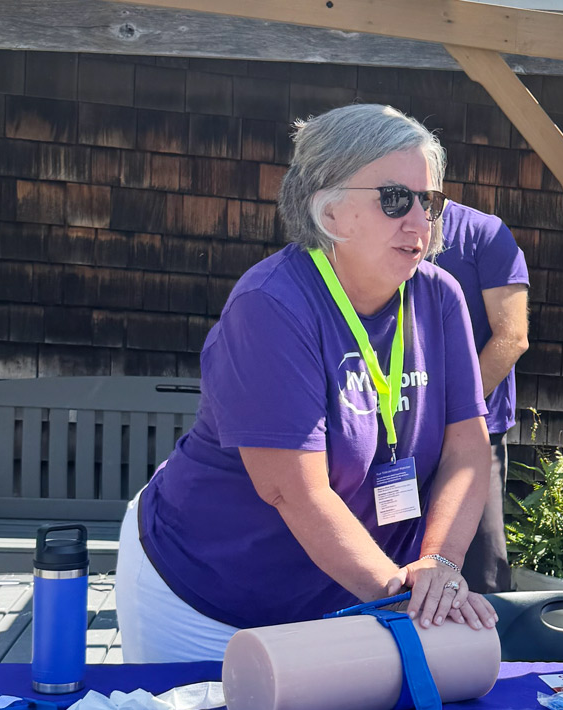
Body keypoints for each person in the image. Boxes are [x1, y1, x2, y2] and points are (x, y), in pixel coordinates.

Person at [117, 103, 498, 663]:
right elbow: (293, 490)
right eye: (395, 199)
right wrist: (400, 605)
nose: (420, 221)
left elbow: (467, 448)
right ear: (330, 210)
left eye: (431, 201)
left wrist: (439, 567)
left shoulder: (440, 298)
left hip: (353, 597)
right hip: (208, 600)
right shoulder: (270, 305)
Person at [433, 199, 530, 594]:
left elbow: (511, 338)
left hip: (474, 432)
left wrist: (449, 414)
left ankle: (487, 656)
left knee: (481, 573)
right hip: (392, 432)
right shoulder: (373, 228)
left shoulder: (485, 235)